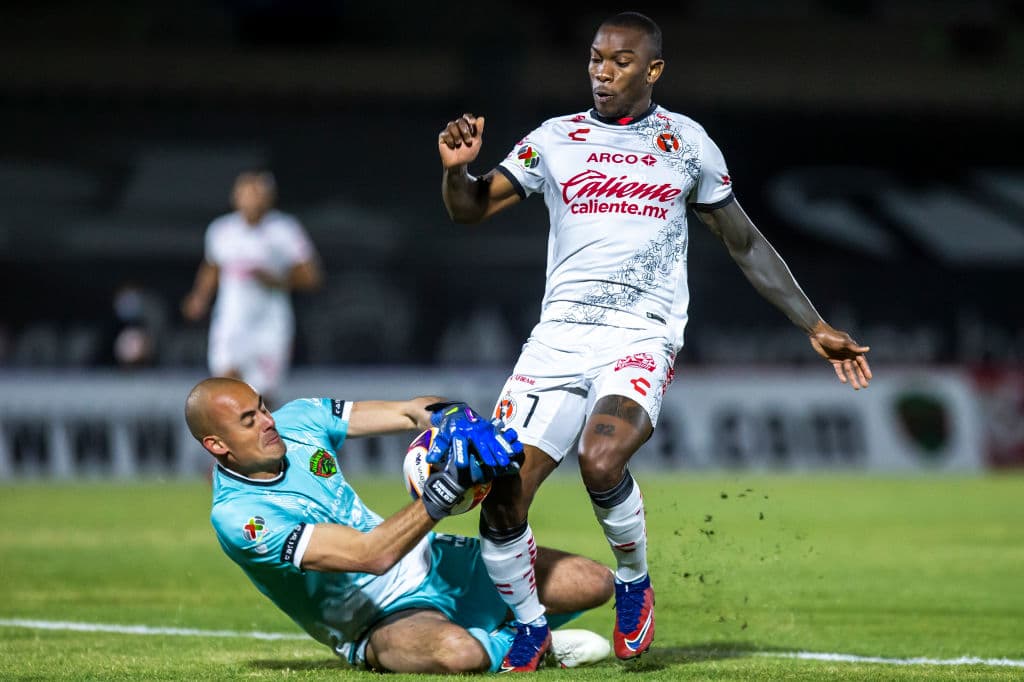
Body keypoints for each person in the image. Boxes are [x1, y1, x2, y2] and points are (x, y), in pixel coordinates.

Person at [436, 11, 873, 669]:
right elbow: (472, 206)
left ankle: (634, 580)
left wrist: (813, 324)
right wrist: (455, 172)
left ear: (653, 69)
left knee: (602, 458)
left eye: (619, 61)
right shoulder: (553, 140)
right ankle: (529, 625)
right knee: (501, 497)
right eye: (594, 59)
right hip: (555, 342)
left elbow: (744, 242)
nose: (602, 72)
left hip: (639, 338)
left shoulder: (687, 144)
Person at [184, 377, 614, 673]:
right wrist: (442, 493)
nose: (267, 421)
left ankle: (514, 633)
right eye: (249, 420)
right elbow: (370, 556)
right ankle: (529, 641)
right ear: (216, 445)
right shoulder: (241, 518)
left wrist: (452, 417)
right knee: (457, 654)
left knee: (594, 582)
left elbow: (410, 413)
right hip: (378, 620)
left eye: (261, 408)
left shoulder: (298, 419)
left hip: (435, 563)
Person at [181, 170, 322, 401]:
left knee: (262, 398)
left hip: (269, 325)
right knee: (225, 388)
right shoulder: (221, 230)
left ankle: (261, 437)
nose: (252, 199)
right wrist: (199, 297)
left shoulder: (284, 229)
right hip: (231, 321)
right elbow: (212, 266)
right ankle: (229, 437)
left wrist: (277, 280)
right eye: (246, 193)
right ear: (235, 196)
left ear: (269, 198)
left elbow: (312, 277)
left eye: (258, 193)